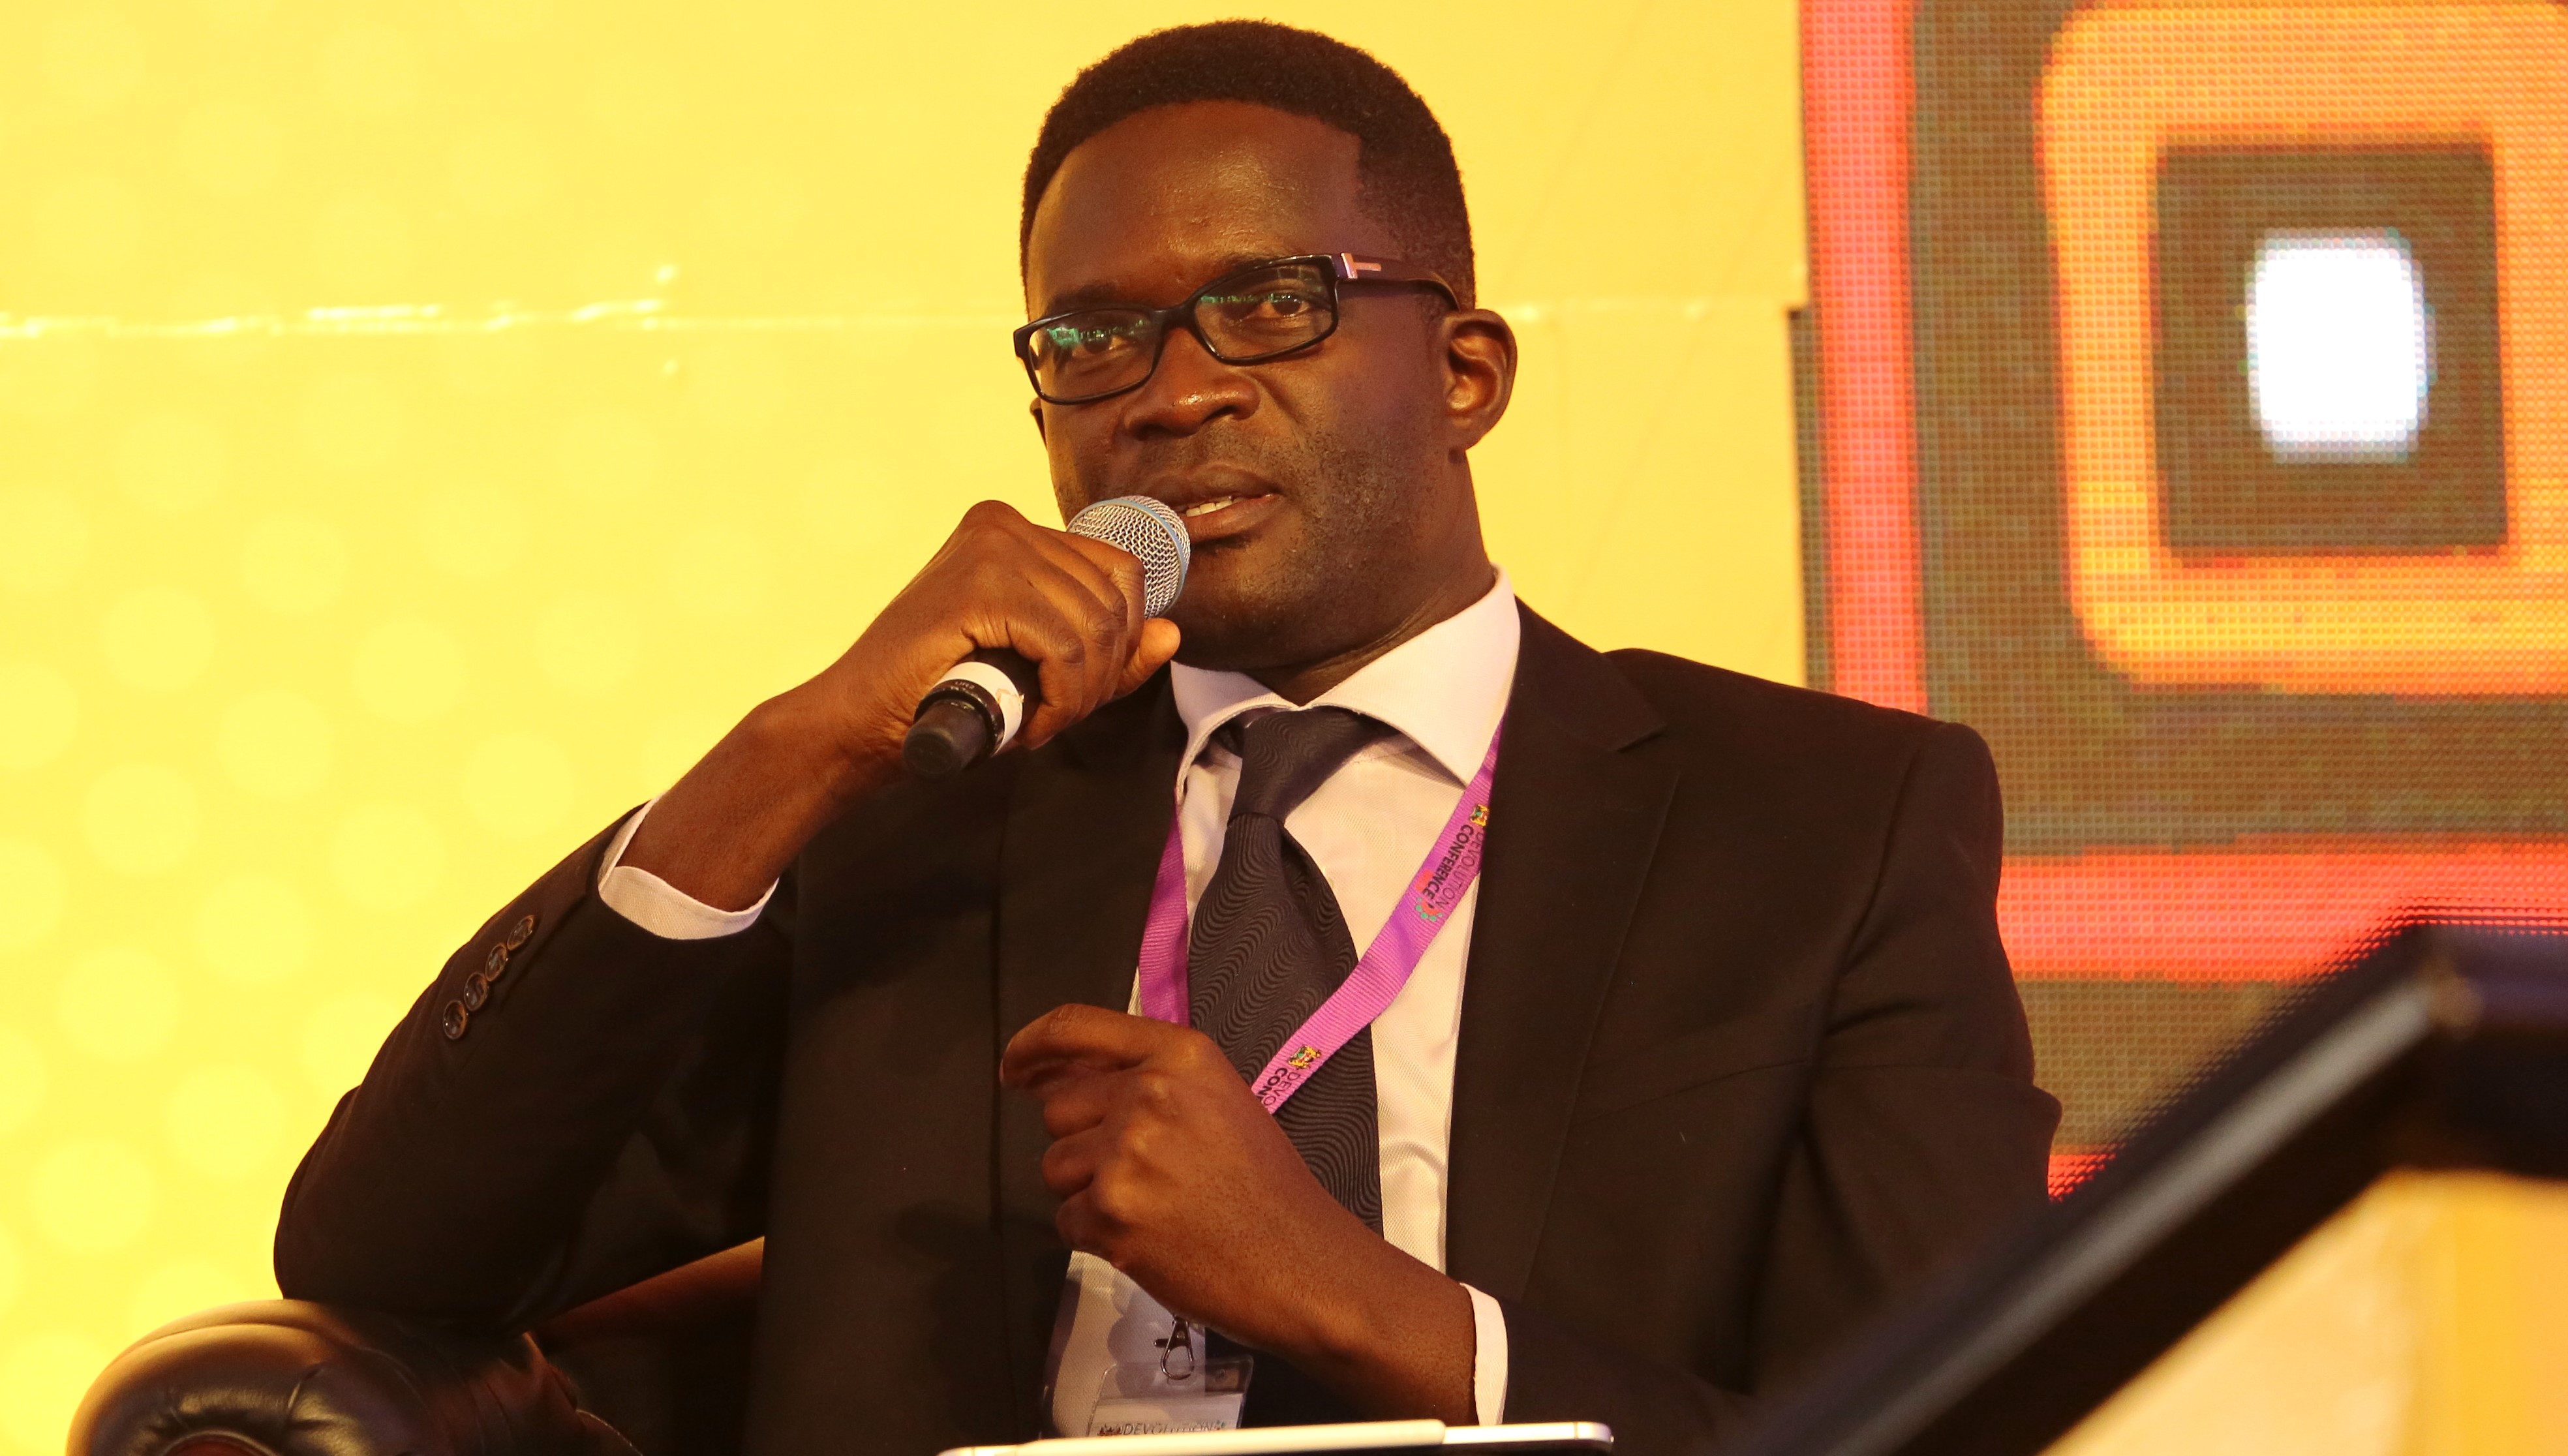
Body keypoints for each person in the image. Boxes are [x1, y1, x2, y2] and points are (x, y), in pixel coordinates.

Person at [275, 22, 2057, 1456]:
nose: (1172, 390)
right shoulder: (919, 820)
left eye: (1268, 305)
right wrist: (799, 743)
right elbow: (390, 1254)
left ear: (1464, 375)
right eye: (1092, 339)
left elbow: (1948, 1413)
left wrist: (1364, 1305)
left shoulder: (1820, 829)